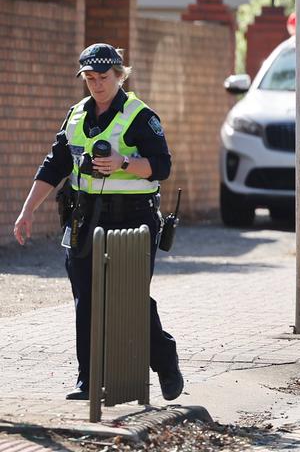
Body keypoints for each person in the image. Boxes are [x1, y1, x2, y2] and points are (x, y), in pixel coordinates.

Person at [11, 43, 184, 401]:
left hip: (134, 219)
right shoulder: (76, 115)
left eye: (103, 77)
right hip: (85, 217)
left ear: (120, 76)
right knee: (85, 298)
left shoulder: (140, 116)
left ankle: (165, 359)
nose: (96, 84)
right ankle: (88, 379)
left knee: (129, 298)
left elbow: (162, 167)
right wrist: (27, 210)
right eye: (89, 78)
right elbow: (54, 165)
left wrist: (123, 162)